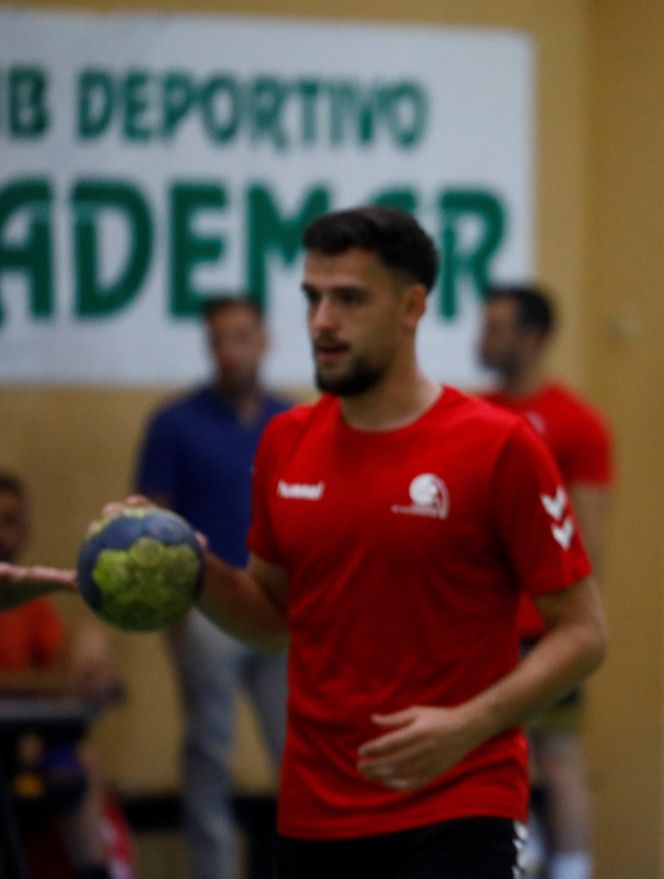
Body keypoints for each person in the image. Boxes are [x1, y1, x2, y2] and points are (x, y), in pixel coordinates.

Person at [3, 206, 607, 878]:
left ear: (412, 306)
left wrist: (468, 723)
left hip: (456, 803)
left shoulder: (499, 445)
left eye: (348, 298)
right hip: (316, 810)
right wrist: (186, 563)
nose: (322, 321)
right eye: (313, 297)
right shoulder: (287, 441)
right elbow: (272, 617)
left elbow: (582, 633)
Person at [136, 295, 293, 879]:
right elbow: (153, 524)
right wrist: (173, 616)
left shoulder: (292, 421)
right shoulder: (173, 424)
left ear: (264, 340)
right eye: (219, 340)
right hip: (207, 615)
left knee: (302, 757)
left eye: (241, 337)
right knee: (208, 755)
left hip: (280, 609)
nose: (231, 351)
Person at [477, 284, 612, 879]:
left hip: (544, 629)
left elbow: (590, 539)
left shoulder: (576, 424)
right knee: (487, 754)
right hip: (480, 632)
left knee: (556, 755)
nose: (483, 336)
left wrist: (568, 626)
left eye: (497, 325)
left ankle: (572, 869)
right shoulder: (471, 415)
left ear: (532, 337)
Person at [0, 472, 127, 879]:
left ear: (26, 530)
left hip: (19, 753)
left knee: (80, 760)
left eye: (11, 520)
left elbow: (65, 673)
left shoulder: (31, 603)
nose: (3, 533)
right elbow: (54, 681)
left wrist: (95, 677)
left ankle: (95, 870)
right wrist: (62, 683)